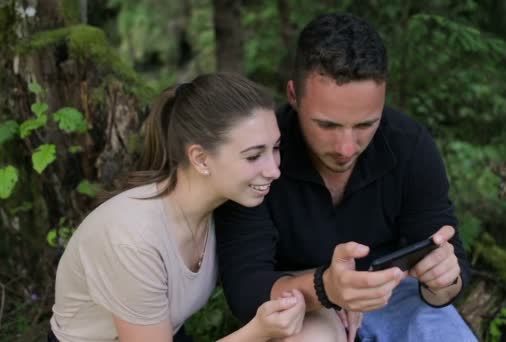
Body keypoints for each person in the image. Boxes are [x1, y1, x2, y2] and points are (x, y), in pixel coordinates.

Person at [214, 13, 477, 341]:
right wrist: (326, 289)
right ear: (294, 95)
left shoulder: (409, 144)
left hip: (396, 294)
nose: (346, 147)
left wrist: (443, 280)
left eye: (366, 124)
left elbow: (450, 261)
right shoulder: (259, 155)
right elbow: (245, 288)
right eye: (327, 125)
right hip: (302, 302)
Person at [49, 73, 306, 342]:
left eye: (275, 148)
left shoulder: (222, 206)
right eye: (253, 156)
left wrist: (330, 294)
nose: (274, 170)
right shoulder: (132, 237)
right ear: (201, 159)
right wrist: (258, 332)